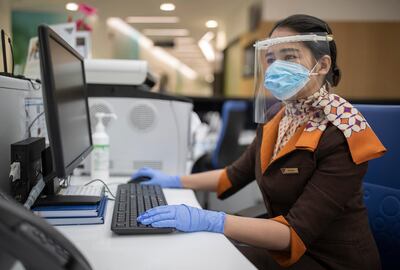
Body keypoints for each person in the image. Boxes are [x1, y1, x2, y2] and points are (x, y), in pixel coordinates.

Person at [132, 14, 386, 270]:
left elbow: (294, 233)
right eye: (272, 59)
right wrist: (173, 180)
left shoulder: (343, 132)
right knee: (191, 248)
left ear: (322, 65)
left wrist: (212, 220)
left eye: (289, 57)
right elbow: (232, 175)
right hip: (280, 244)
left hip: (328, 260)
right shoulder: (280, 117)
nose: (276, 67)